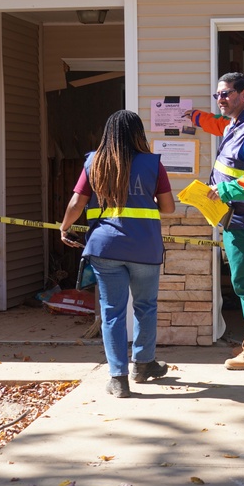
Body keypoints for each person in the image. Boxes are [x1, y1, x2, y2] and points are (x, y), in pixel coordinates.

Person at [59, 110, 175, 398]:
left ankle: (118, 379)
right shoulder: (152, 164)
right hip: (144, 248)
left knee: (112, 313)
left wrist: (64, 227)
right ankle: (144, 365)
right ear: (138, 133)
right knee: (145, 307)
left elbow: (76, 203)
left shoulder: (94, 162)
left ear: (108, 133)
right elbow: (169, 207)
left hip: (105, 247)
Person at [184, 72, 244, 370]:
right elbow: (218, 124)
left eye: (225, 94)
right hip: (237, 216)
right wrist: (196, 117)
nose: (220, 100)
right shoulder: (236, 123)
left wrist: (224, 190)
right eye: (217, 95)